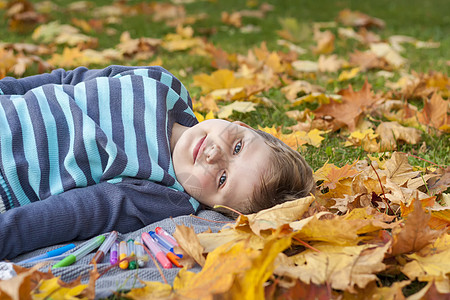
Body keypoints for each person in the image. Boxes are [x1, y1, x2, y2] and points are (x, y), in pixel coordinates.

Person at [0, 65, 315, 260]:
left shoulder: (162, 194)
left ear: (213, 208)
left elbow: (77, 213)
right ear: (243, 127)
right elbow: (69, 80)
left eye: (222, 180)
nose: (215, 154)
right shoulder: (163, 84)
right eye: (236, 146)